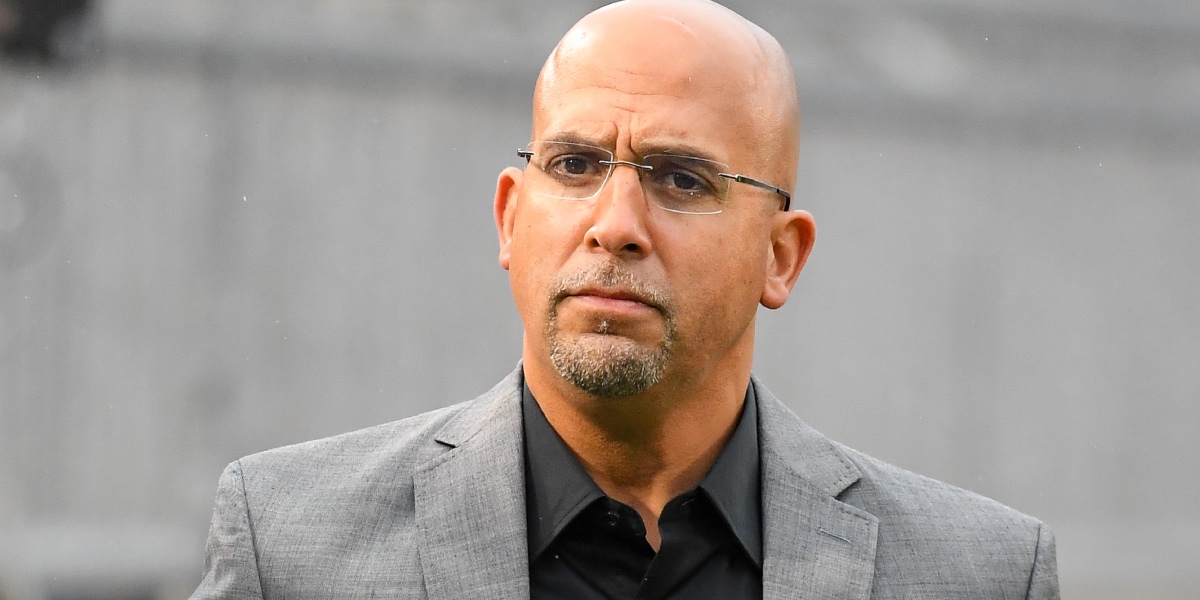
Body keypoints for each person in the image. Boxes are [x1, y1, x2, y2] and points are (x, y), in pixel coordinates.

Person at [190, 1, 1059, 598]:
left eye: (681, 178)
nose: (615, 225)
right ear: (509, 217)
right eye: (574, 165)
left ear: (780, 257)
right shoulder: (291, 547)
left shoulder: (979, 574)